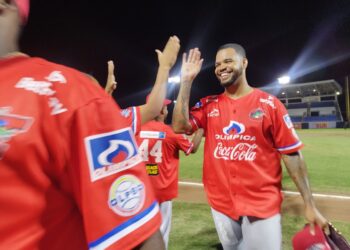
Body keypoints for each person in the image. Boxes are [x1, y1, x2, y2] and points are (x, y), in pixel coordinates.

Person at [0, 1, 179, 249]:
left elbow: (140, 240)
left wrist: (164, 68)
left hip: (131, 197)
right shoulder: (104, 109)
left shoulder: (78, 100)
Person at [172, 45, 328, 249]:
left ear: (244, 63)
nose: (221, 68)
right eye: (217, 64)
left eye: (228, 61)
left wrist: (309, 204)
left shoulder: (269, 105)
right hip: (221, 203)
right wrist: (186, 81)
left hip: (261, 204)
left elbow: (292, 154)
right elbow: (179, 126)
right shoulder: (209, 105)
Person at [136, 96, 204, 249]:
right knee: (161, 232)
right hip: (162, 191)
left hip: (139, 190)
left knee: (139, 232)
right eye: (165, 107)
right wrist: (200, 128)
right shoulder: (170, 132)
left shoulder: (135, 129)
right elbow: (192, 148)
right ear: (161, 110)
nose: (167, 110)